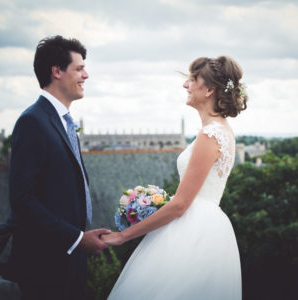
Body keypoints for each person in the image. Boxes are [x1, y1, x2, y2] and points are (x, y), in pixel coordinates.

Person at [102, 56, 247, 299]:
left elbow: (180, 204)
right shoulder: (219, 131)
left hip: (194, 229)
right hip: (208, 226)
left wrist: (123, 236)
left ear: (209, 89)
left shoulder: (211, 134)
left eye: (192, 79)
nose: (185, 85)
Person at [4, 35, 110, 300]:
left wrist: (79, 239)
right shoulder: (32, 121)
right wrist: (76, 238)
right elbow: (22, 198)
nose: (86, 74)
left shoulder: (63, 121)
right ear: (57, 71)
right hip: (44, 264)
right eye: (79, 68)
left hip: (69, 259)